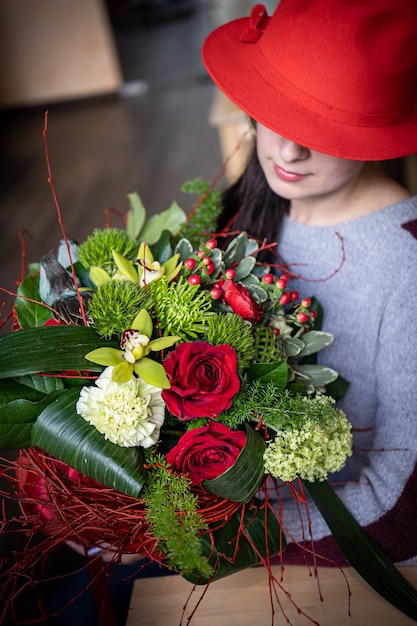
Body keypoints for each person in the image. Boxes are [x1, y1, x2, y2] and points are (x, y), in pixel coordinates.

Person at [202, 0, 417, 565]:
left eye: (324, 128)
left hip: (340, 551)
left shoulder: (408, 264)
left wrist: (219, 536)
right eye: (280, 114)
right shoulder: (250, 208)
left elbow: (403, 509)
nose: (290, 150)